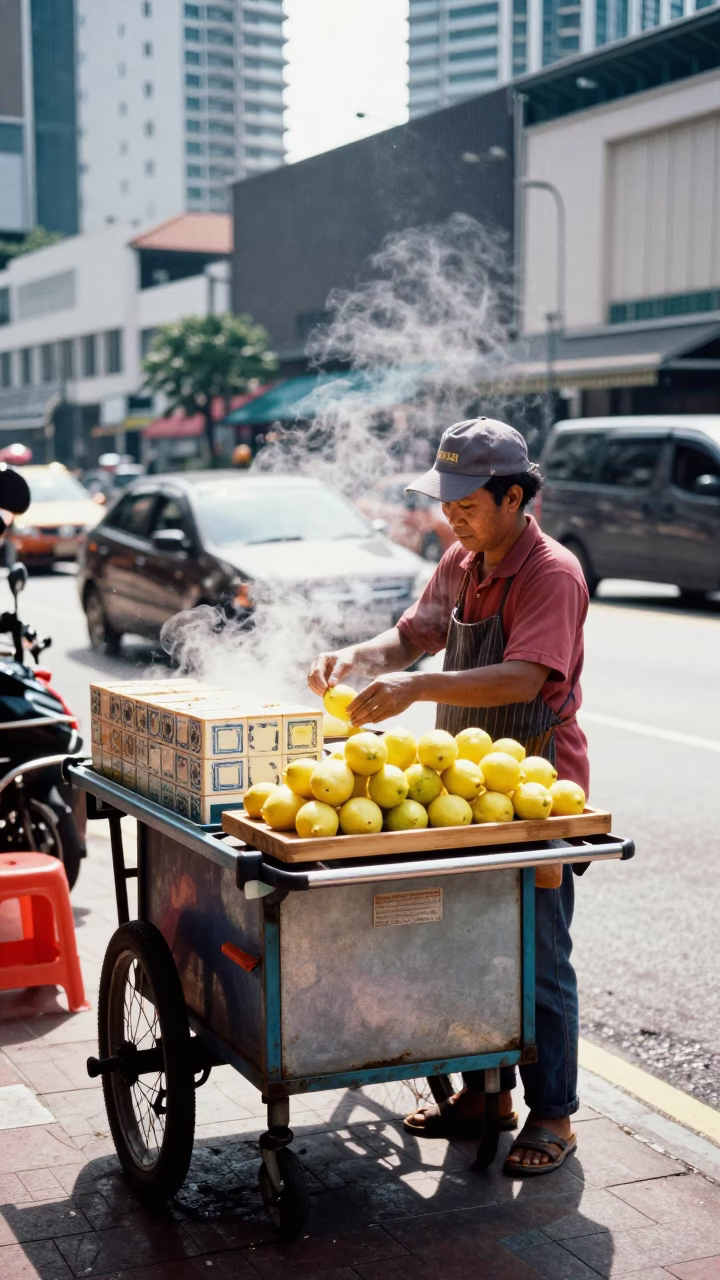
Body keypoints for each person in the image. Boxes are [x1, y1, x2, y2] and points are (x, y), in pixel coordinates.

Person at [308, 417, 589, 1176]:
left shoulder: (550, 573)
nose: (452, 514)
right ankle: (484, 1098)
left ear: (515, 497)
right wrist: (356, 658)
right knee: (465, 944)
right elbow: (408, 640)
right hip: (459, 785)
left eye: (468, 501)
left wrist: (418, 686)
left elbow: (526, 677)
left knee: (535, 953)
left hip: (533, 785)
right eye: (447, 500)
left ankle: (554, 1111)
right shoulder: (462, 560)